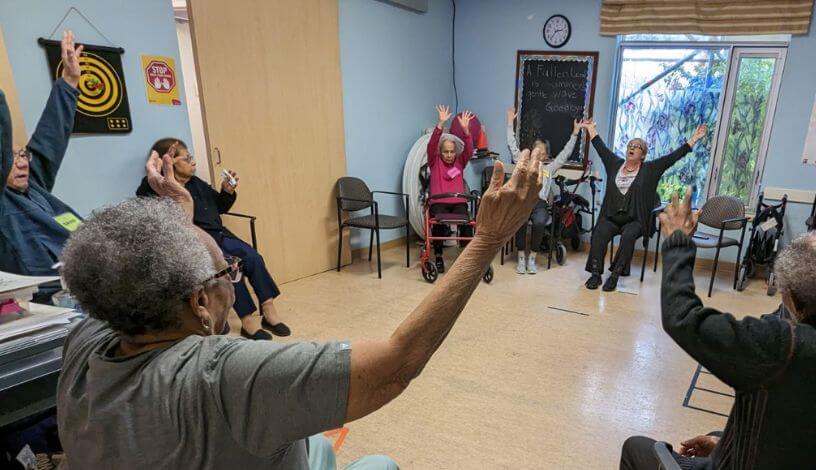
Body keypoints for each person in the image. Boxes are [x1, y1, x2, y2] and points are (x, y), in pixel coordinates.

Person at [54, 146, 544, 469]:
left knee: (317, 445)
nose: (233, 273)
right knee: (381, 466)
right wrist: (485, 241)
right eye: (228, 271)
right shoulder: (224, 377)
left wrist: (183, 212)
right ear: (199, 303)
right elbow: (395, 366)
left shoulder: (87, 341)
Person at [619, 189, 816, 469]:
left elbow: (682, 318)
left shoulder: (783, 346)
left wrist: (678, 242)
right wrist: (725, 444)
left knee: (637, 447)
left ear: (793, 298)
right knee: (715, 436)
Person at [135, 139, 287, 340]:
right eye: (187, 158)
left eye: (192, 157)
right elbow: (145, 193)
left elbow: (221, 206)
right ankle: (247, 320)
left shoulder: (197, 183)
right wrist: (158, 171)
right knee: (231, 269)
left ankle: (268, 311)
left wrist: (227, 191)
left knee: (253, 257)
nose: (193, 162)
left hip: (221, 235)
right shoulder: (157, 188)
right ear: (169, 162)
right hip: (199, 241)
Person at [0, 31, 82, 303]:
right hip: (43, 305)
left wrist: (69, 83)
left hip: (88, 284)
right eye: (11, 157)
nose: (22, 161)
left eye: (23, 154)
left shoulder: (34, 184)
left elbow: (50, 139)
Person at [582, 120, 707, 292]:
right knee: (599, 232)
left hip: (635, 220)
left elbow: (673, 157)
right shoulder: (614, 164)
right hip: (611, 217)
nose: (632, 147)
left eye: (637, 146)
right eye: (630, 145)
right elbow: (601, 148)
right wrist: (590, 129)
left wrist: (694, 139)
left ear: (643, 155)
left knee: (628, 236)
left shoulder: (651, 169)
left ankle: (615, 275)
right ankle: (595, 274)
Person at [505, 108, 584, 274]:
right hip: (523, 201)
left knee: (540, 222)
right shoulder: (523, 163)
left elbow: (565, 153)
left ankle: (532, 258)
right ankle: (521, 257)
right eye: (536, 149)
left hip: (539, 203)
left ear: (546, 155)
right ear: (531, 152)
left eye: (542, 151)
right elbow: (512, 146)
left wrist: (575, 133)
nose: (539, 153)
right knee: (520, 221)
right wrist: (509, 123)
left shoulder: (549, 168)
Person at [427, 104, 475, 274]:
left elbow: (469, 150)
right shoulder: (435, 162)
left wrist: (466, 131)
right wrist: (440, 125)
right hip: (439, 202)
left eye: (451, 152)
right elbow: (432, 145)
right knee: (439, 224)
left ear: (456, 152)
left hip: (458, 202)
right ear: (441, 152)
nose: (449, 154)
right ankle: (438, 256)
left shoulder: (460, 163)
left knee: (467, 224)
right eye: (446, 151)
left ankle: (466, 257)